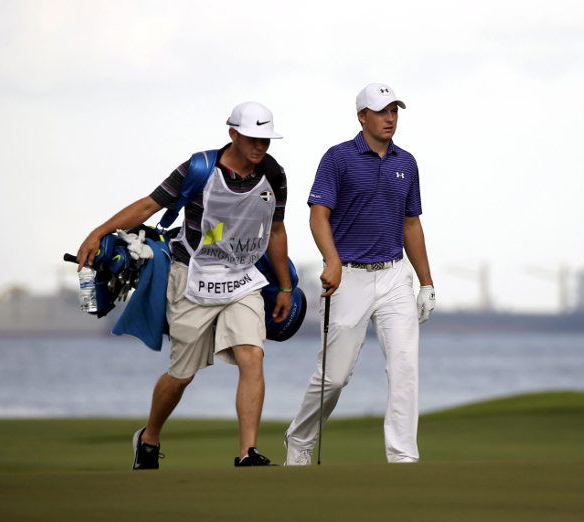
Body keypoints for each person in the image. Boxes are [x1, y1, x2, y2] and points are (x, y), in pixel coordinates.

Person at [76, 101, 292, 469]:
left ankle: (247, 454)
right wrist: (99, 232)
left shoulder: (274, 174)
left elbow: (275, 229)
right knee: (181, 376)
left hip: (243, 279)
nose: (260, 146)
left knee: (252, 355)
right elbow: (149, 205)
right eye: (253, 138)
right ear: (233, 134)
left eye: (266, 140)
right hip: (193, 277)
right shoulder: (199, 168)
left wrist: (285, 287)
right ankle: (148, 438)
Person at [284, 83, 435, 464]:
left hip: (394, 276)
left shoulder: (407, 162)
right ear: (361, 116)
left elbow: (411, 225)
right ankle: (299, 440)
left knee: (405, 367)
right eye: (382, 111)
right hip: (348, 277)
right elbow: (318, 216)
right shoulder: (338, 159)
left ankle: (403, 457)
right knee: (334, 377)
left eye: (394, 111)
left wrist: (427, 282)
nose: (390, 118)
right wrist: (331, 261)